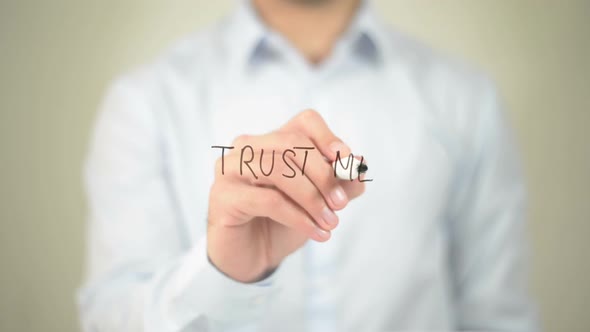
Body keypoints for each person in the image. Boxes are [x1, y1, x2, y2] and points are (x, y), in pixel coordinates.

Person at [78, 0, 538, 331]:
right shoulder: (146, 102)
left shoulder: (466, 100)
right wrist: (222, 273)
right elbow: (110, 318)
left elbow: (496, 316)